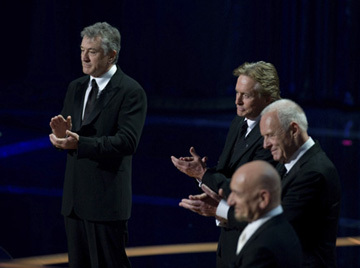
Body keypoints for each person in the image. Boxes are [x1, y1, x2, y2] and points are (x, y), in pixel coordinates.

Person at [49, 22, 147, 268]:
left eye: (91, 51)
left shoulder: (130, 91)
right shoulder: (76, 87)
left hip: (106, 203)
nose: (83, 57)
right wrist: (60, 139)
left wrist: (80, 142)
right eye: (82, 49)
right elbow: (69, 136)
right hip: (74, 203)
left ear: (111, 55)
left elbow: (127, 142)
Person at [171, 61, 280, 268]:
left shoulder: (273, 137)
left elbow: (247, 192)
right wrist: (202, 179)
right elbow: (225, 173)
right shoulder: (239, 122)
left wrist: (204, 175)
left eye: (246, 95)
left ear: (268, 98)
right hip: (230, 244)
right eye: (237, 93)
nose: (237, 101)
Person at [260, 99, 341, 267]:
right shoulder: (287, 164)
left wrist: (223, 210)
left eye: (270, 135)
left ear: (293, 129)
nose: (265, 145)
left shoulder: (314, 171)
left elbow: (276, 225)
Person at [227, 160, 302, 268]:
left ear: (263, 198)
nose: (230, 201)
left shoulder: (263, 249)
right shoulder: (280, 228)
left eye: (237, 194)